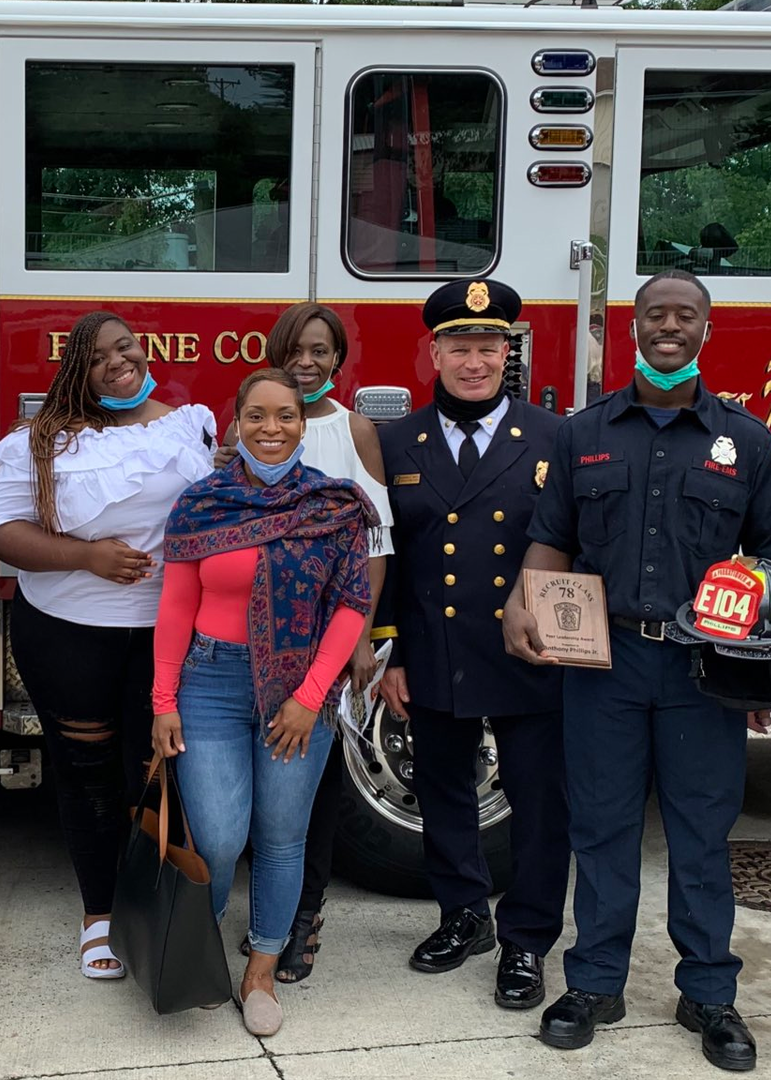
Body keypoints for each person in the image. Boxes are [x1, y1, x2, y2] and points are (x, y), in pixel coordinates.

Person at [505, 268, 771, 1070]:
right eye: (654, 313)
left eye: (683, 315)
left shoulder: (746, 441)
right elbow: (550, 535)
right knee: (602, 828)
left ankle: (708, 993)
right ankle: (593, 983)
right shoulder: (580, 431)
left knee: (699, 834)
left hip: (704, 668)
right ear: (633, 329)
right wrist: (520, 600)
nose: (668, 325)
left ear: (704, 330)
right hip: (602, 663)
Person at [0, 310, 216, 980]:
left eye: (127, 348)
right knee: (85, 774)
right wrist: (85, 556)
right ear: (76, 369)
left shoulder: (188, 423)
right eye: (99, 356)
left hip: (168, 632)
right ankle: (99, 914)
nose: (118, 362)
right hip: (67, 633)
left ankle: (152, 902)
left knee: (154, 767)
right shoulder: (42, 442)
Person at [151, 368, 376, 1036]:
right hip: (211, 684)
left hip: (298, 692)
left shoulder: (335, 504)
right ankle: (198, 950)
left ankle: (260, 968)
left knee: (282, 838)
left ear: (303, 424)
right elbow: (175, 605)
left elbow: (350, 608)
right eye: (256, 416)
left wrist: (310, 699)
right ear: (236, 422)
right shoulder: (201, 503)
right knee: (218, 838)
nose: (270, 430)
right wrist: (164, 699)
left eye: (284, 416)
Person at [370, 280, 569, 1012]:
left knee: (540, 804)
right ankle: (462, 916)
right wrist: (389, 650)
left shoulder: (554, 438)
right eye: (460, 346)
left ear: (506, 352)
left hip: (530, 653)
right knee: (444, 792)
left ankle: (526, 941)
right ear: (434, 353)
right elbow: (381, 550)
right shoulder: (393, 442)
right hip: (433, 649)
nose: (474, 361)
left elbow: (575, 544)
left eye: (488, 346)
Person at [212, 301, 392, 983]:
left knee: (311, 797)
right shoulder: (249, 429)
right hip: (245, 649)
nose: (306, 362)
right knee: (254, 800)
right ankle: (267, 919)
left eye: (319, 350)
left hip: (325, 644)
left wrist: (363, 636)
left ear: (338, 359)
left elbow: (375, 541)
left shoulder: (355, 430)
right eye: (294, 349)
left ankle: (301, 921)